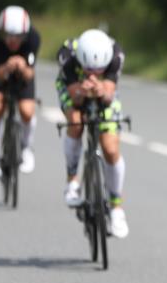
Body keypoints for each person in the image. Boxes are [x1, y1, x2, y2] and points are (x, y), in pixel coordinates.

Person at [55, 29, 129, 239]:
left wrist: (100, 90)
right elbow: (73, 95)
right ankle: (72, 181)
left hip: (104, 93)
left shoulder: (115, 54)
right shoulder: (67, 55)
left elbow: (109, 91)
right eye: (89, 70)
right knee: (76, 123)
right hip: (73, 89)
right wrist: (81, 91)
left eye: (99, 70)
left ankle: (116, 207)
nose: (93, 74)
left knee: (110, 148)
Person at [0, 6, 41, 179]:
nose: (12, 41)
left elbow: (30, 73)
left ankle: (26, 148)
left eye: (17, 37)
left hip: (23, 72)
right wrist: (8, 65)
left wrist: (23, 66)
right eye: (7, 36)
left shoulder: (33, 38)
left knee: (26, 110)